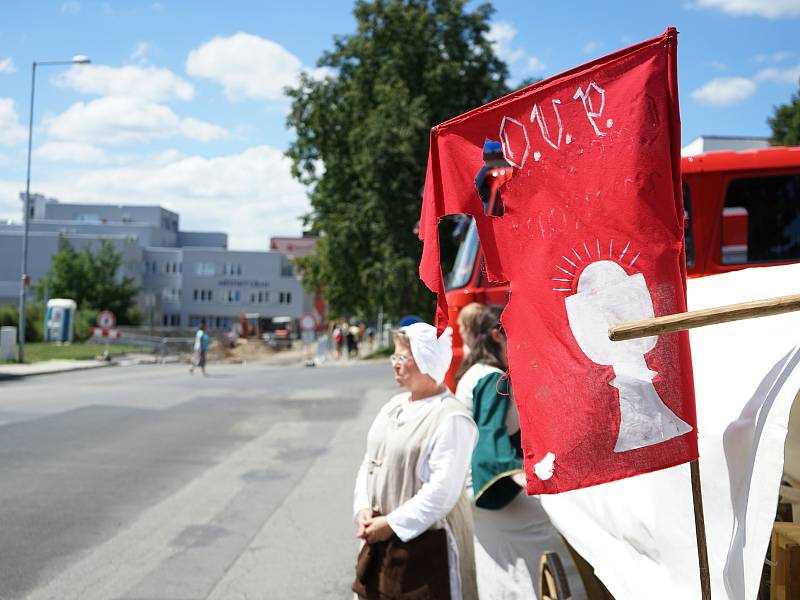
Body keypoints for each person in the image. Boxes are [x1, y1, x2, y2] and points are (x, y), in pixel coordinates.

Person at [455, 307, 585, 600]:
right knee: (557, 536)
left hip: (472, 491)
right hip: (490, 487)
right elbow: (491, 440)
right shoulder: (492, 379)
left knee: (501, 574)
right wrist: (518, 474)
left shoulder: (473, 374)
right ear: (495, 336)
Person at [352, 322, 479, 600]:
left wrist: (392, 523)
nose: (395, 365)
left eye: (402, 358)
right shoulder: (394, 406)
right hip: (382, 539)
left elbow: (442, 492)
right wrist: (363, 507)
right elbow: (370, 462)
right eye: (394, 357)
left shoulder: (451, 418)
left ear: (427, 361)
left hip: (428, 547)